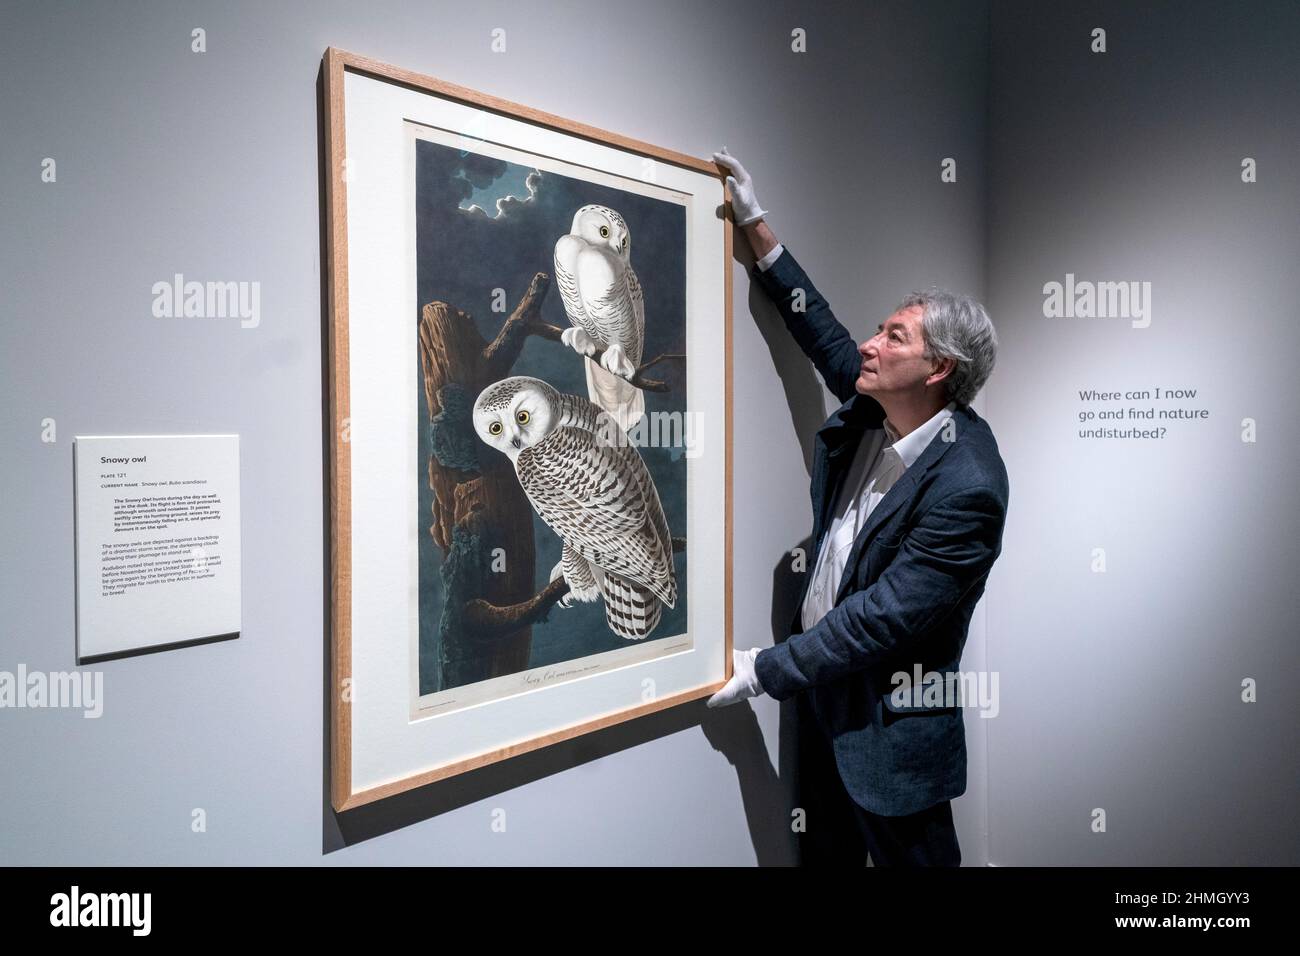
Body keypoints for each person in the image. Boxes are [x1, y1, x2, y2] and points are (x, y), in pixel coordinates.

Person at [706, 148, 1009, 867]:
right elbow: (826, 334)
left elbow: (881, 621)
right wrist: (755, 225)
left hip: (893, 739)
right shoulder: (882, 406)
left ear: (939, 371)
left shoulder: (970, 484)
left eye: (894, 337)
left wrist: (763, 670)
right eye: (882, 329)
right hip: (820, 700)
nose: (871, 346)